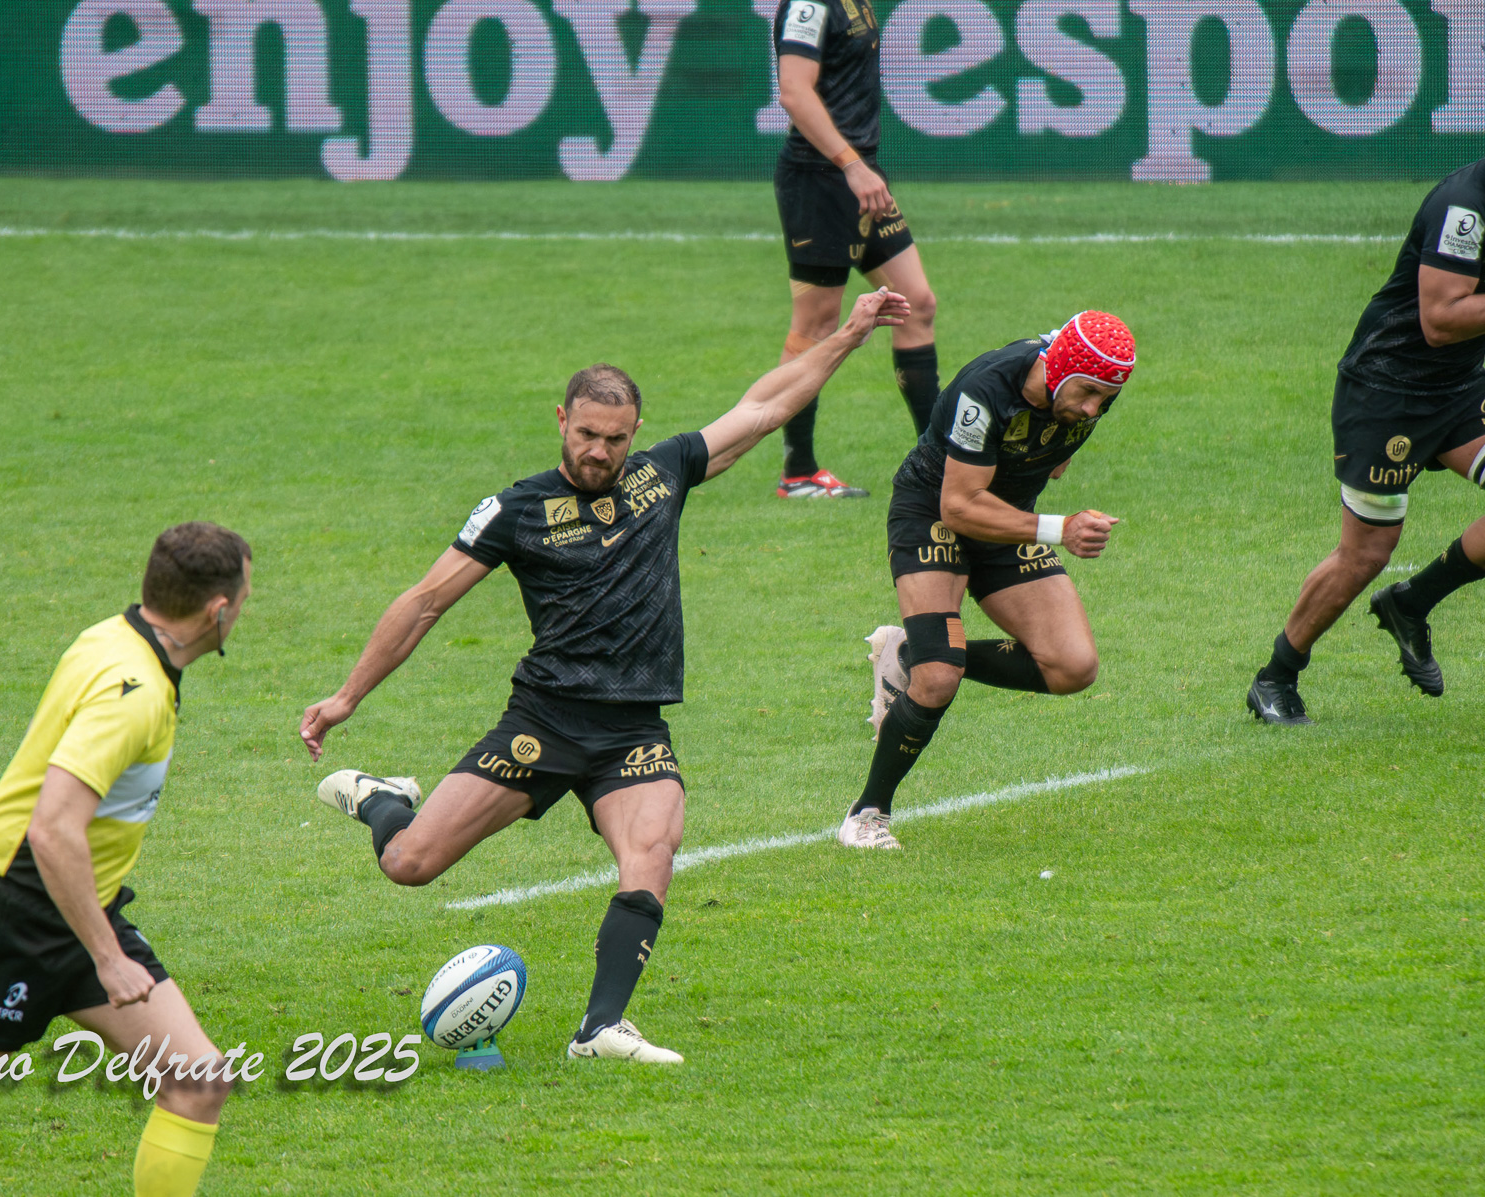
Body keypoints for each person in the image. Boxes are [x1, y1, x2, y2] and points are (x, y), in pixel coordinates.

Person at [300, 289, 909, 1062]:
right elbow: (423, 603)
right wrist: (347, 697)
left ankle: (599, 1028)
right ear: (561, 421)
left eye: (615, 438)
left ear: (636, 433)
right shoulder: (516, 510)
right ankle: (382, 799)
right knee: (410, 863)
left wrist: (850, 334)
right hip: (544, 723)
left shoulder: (662, 477)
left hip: (632, 730)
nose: (599, 451)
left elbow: (761, 408)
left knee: (652, 849)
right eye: (587, 434)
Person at [0, 523, 253, 1197]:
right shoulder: (136, 692)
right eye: (245, 593)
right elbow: (52, 828)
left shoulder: (112, 636)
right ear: (218, 609)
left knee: (197, 1080)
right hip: (14, 914)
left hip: (82, 903)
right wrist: (107, 955)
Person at [844, 312, 1136, 849]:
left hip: (1005, 518)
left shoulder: (1091, 392)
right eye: (1089, 392)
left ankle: (911, 651)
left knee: (1073, 666)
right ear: (1062, 366)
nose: (1094, 407)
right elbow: (958, 506)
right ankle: (866, 815)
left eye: (1106, 397)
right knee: (938, 679)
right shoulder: (987, 388)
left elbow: (1053, 461)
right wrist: (1060, 528)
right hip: (933, 509)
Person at [1248, 159, 1485, 724]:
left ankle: (1413, 601)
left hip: (1460, 389)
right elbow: (1442, 318)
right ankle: (1275, 677)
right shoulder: (1466, 207)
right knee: (1366, 554)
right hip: (1387, 391)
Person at [769, 0, 940, 498]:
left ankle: (936, 464)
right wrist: (850, 165)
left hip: (858, 176)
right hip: (822, 182)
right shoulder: (808, 4)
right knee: (816, 326)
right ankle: (798, 472)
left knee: (916, 304)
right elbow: (794, 92)